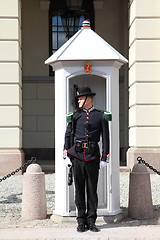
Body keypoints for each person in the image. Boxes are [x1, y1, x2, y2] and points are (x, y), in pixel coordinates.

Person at [63, 87, 111, 232]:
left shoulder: (101, 115)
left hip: (93, 157)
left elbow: (106, 138)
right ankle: (80, 221)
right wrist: (66, 155)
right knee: (79, 191)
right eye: (78, 99)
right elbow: (68, 135)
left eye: (81, 98)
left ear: (89, 99)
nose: (78, 100)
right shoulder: (74, 116)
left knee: (92, 191)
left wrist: (104, 157)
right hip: (77, 156)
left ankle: (91, 221)